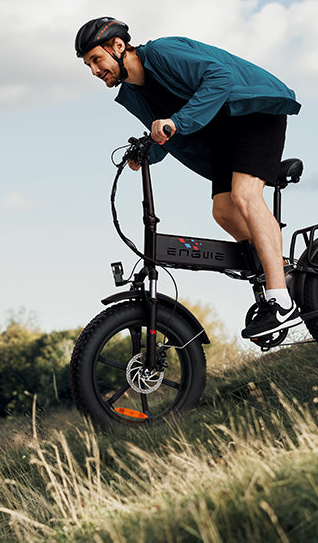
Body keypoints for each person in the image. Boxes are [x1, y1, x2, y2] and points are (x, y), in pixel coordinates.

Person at [75, 17, 302, 339]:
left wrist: (176, 122)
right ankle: (284, 271)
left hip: (253, 112)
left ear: (117, 46)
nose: (95, 71)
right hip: (223, 132)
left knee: (245, 195)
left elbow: (219, 77)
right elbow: (166, 134)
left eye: (96, 60)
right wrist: (145, 153)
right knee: (223, 211)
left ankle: (280, 300)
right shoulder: (133, 93)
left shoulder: (163, 52)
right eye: (89, 66)